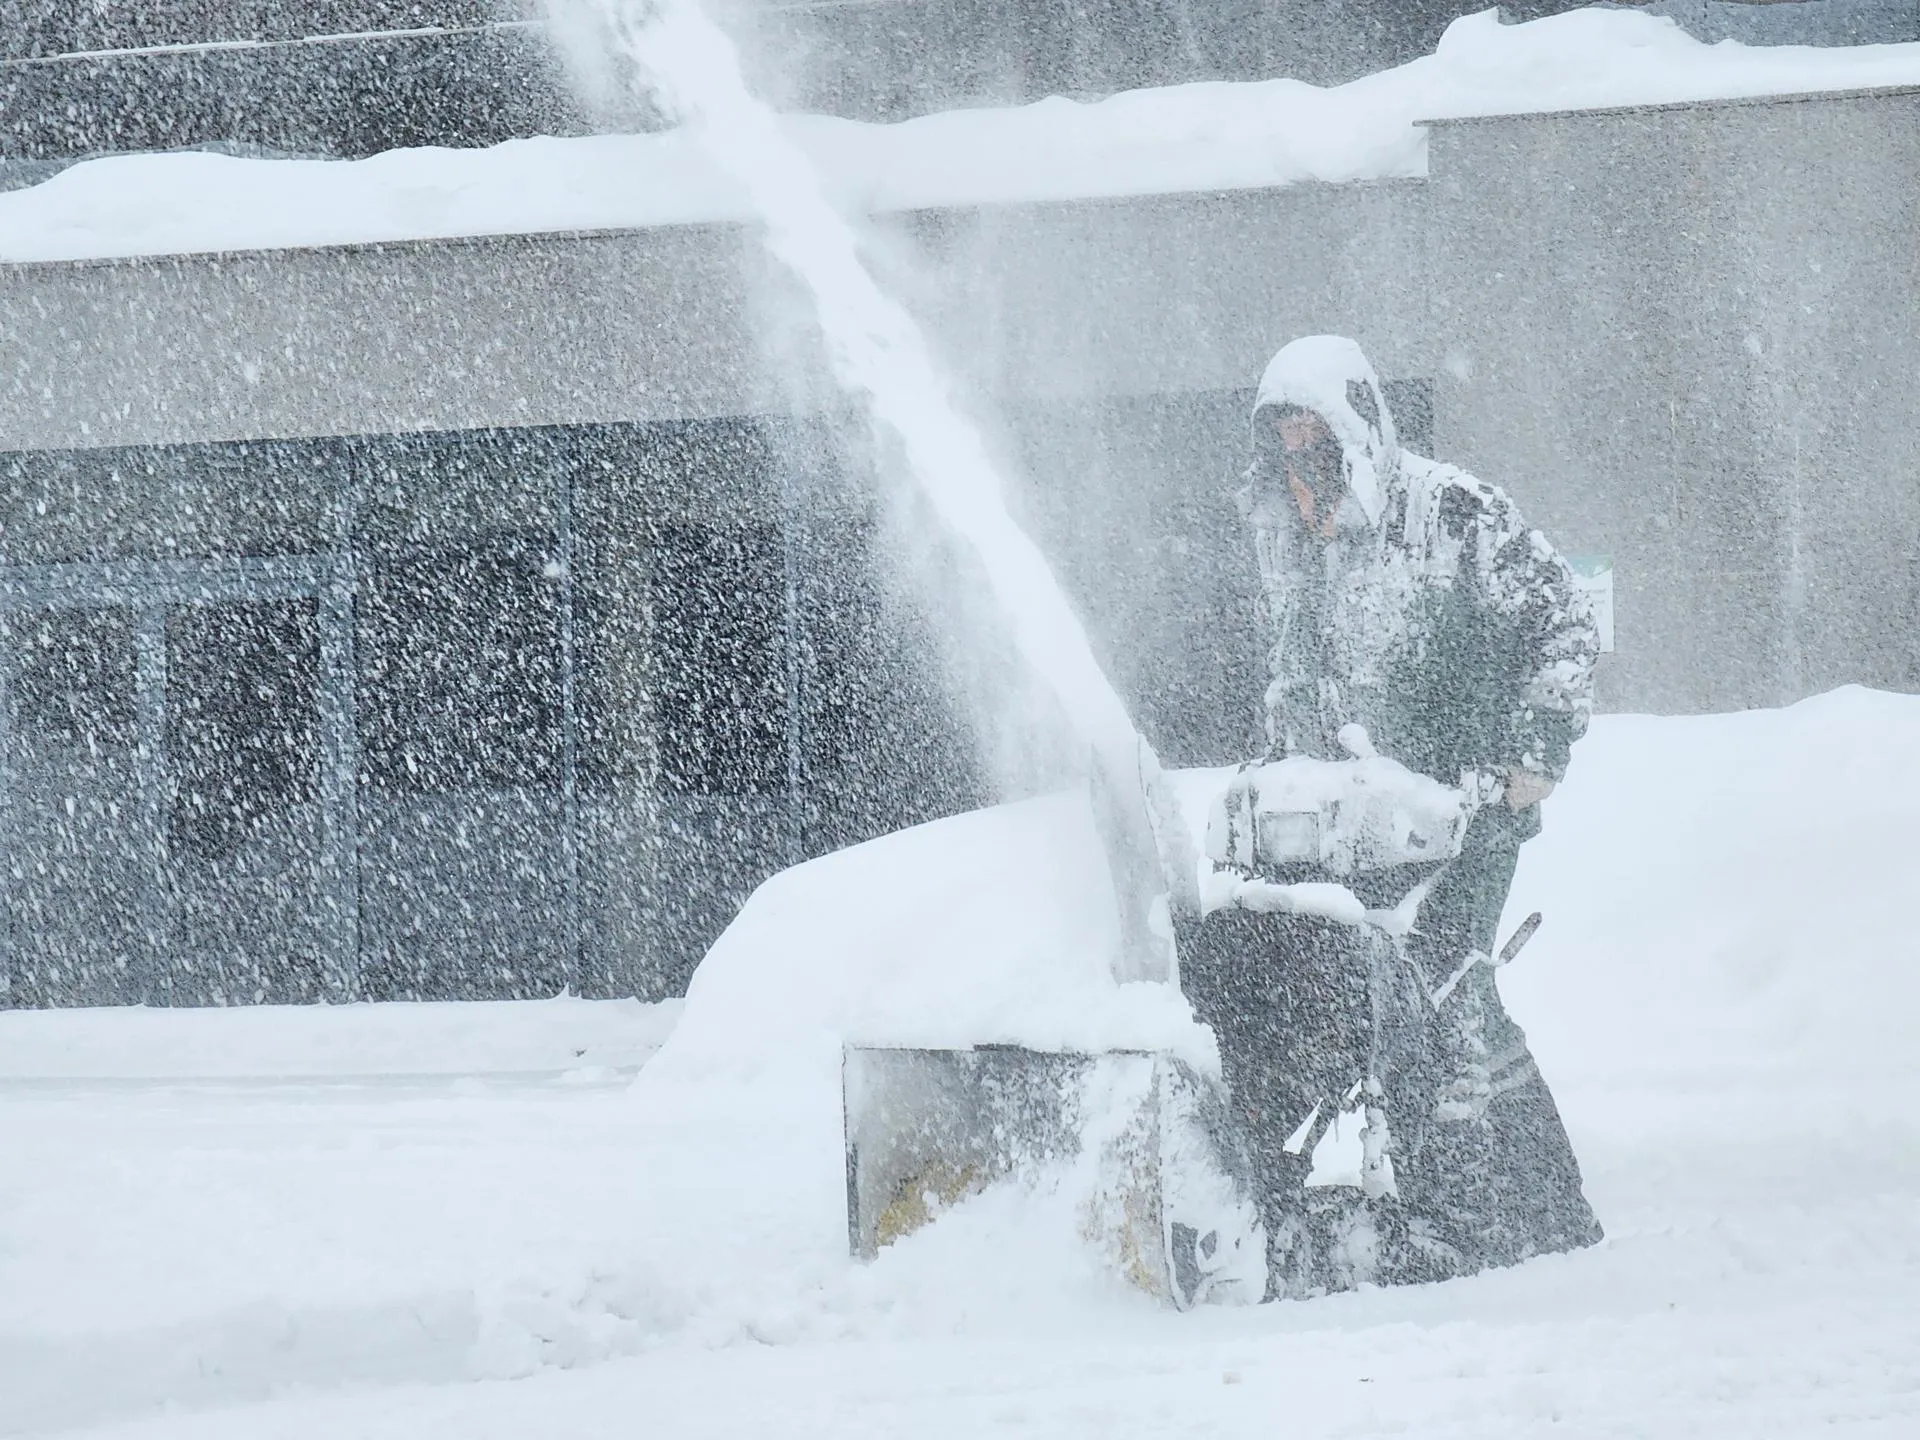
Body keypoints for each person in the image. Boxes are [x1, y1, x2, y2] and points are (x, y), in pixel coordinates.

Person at [1179, 334, 1604, 1298]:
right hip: (1347, 821)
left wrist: (1531, 755)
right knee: (1281, 973)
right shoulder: (1292, 548)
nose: (1299, 479)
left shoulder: (1453, 513)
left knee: (1440, 976)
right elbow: (1296, 683)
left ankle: (1498, 1214)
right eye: (1281, 458)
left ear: (1357, 438)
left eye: (1313, 453)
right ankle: (1276, 1190)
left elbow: (1565, 620)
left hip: (1468, 805)